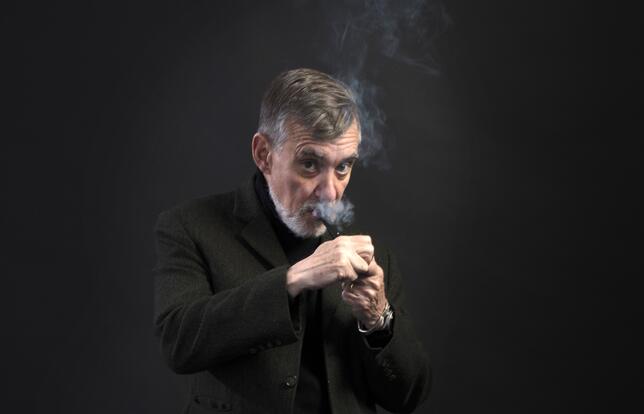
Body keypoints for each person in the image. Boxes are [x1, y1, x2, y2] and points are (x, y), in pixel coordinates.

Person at [153, 68, 431, 413]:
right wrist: (293, 279)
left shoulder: (373, 257)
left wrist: (379, 321)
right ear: (264, 155)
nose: (330, 193)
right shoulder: (191, 226)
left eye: (343, 167)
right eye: (310, 164)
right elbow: (179, 343)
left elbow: (407, 397)